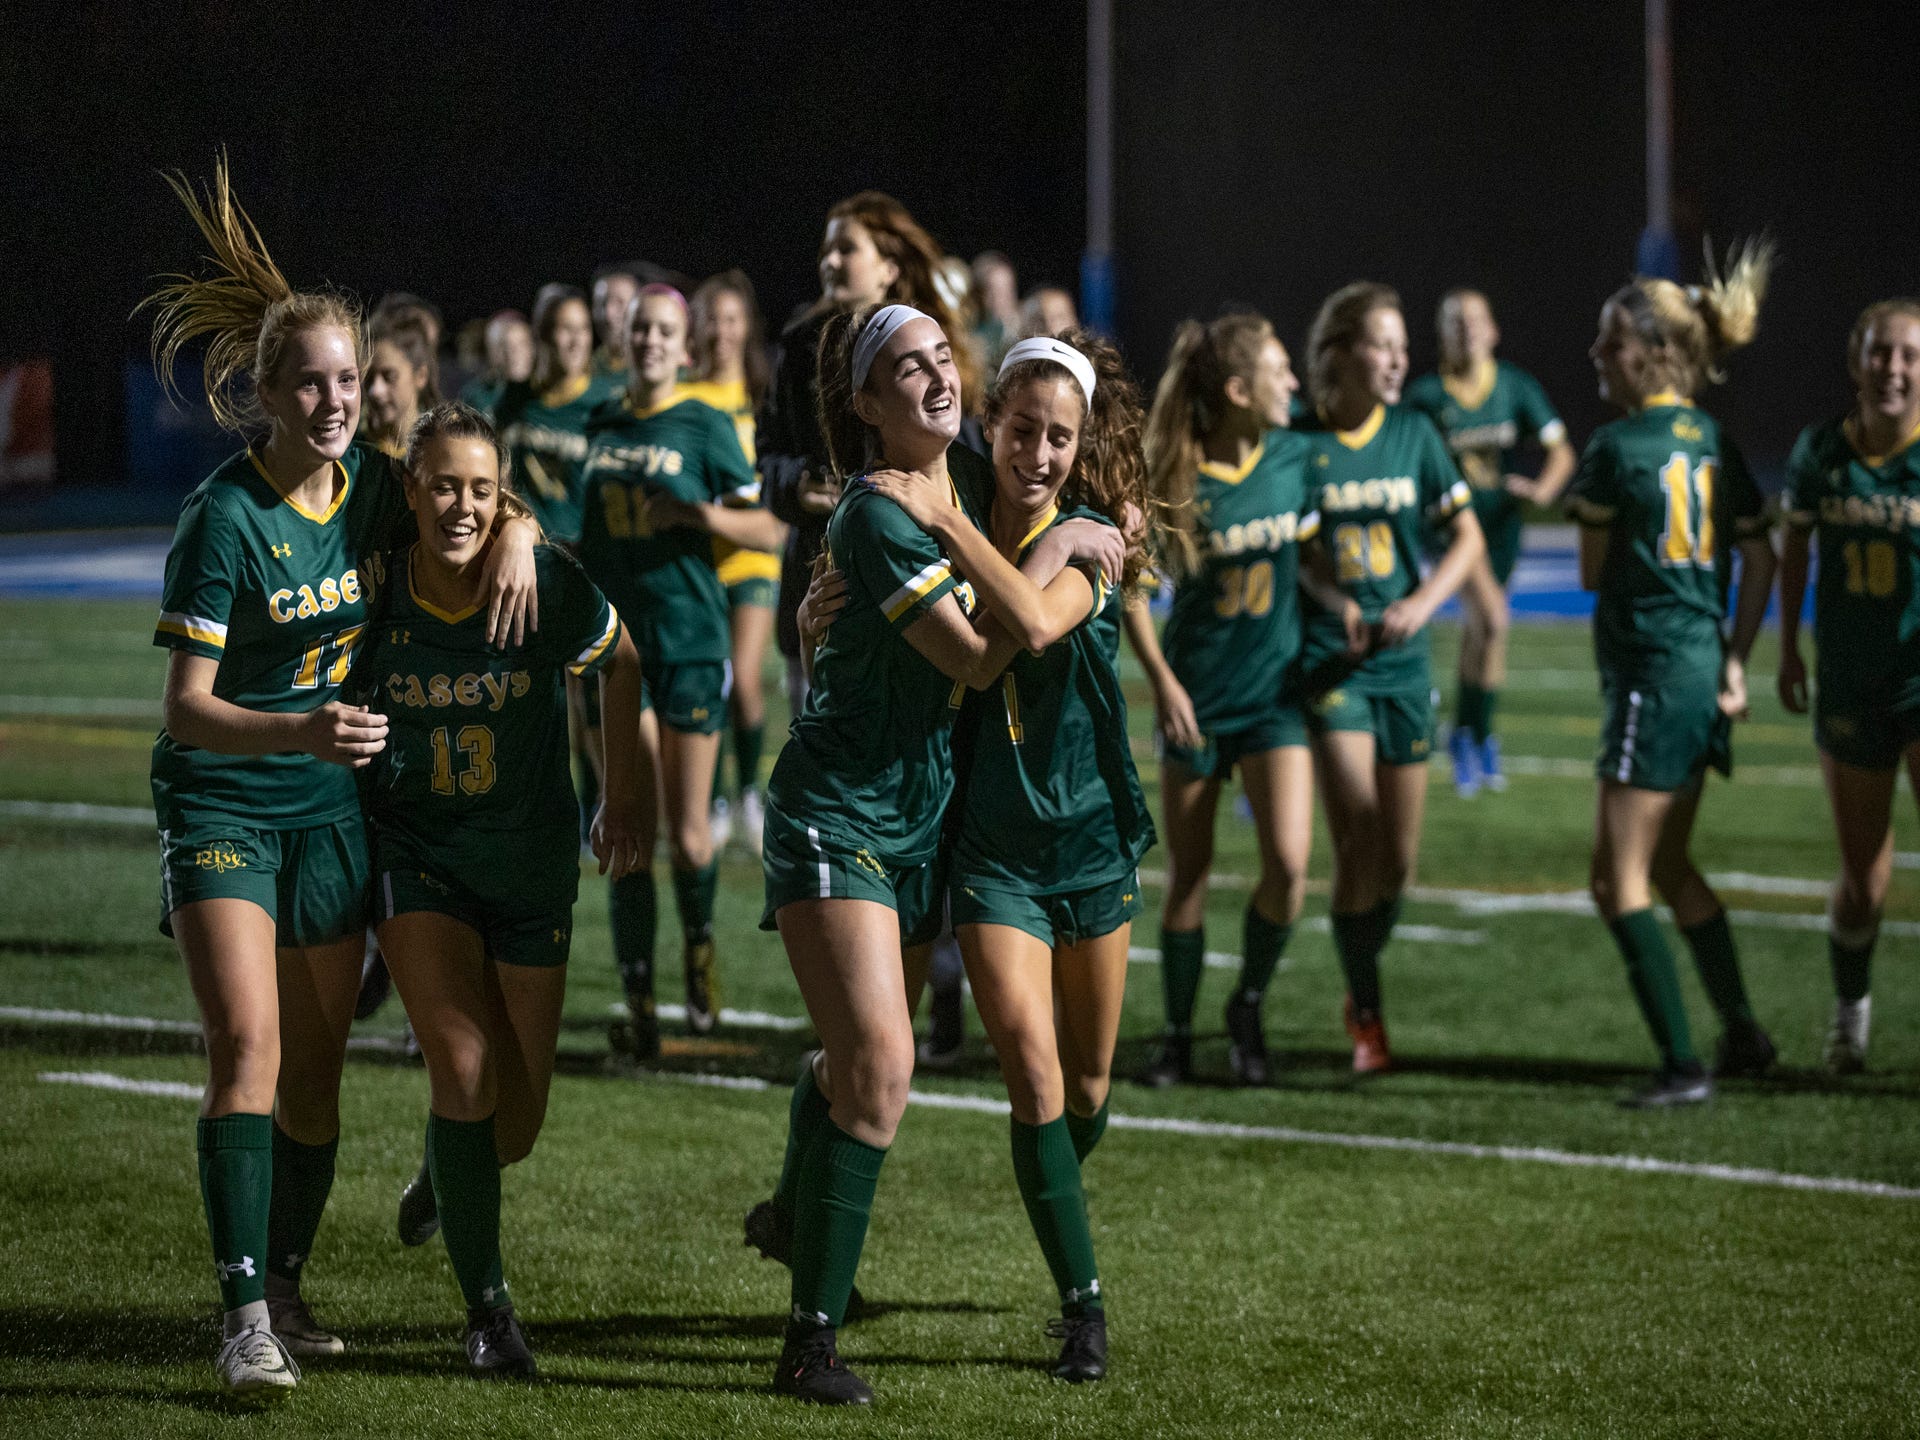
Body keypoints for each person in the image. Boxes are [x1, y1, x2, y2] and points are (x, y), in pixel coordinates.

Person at [139, 159, 536, 1400]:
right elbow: (188, 712)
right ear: (261, 394)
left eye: (348, 381)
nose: (332, 400)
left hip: (329, 811)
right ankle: (244, 1316)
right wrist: (301, 730)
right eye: (307, 381)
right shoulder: (224, 520)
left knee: (315, 1087)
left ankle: (290, 1285)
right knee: (247, 1050)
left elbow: (478, 497)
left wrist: (517, 526)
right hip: (225, 798)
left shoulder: (376, 485)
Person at [746, 304, 1121, 1403]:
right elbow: (971, 659)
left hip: (927, 824)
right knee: (885, 1072)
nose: (934, 378)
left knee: (863, 1066)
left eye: (941, 359)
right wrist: (1052, 550)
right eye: (903, 370)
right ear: (865, 407)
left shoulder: (965, 477)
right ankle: (807, 1344)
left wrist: (1099, 514)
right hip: (840, 813)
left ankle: (789, 1212)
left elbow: (1047, 441)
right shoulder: (877, 513)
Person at [864, 331, 1154, 1381]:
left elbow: (1030, 624)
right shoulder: (959, 506)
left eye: (1060, 438)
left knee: (1086, 1091)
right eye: (1022, 429)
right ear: (992, 426)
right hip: (990, 857)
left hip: (1088, 841)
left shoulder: (1093, 544)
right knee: (1032, 1079)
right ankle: (1084, 1309)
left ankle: (1049, 1191)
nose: (1038, 451)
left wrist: (961, 523)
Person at [349, 402, 644, 1379]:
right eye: (443, 486)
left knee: (511, 1128)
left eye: (482, 490)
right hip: (420, 858)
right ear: (412, 489)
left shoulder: (541, 582)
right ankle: (490, 1314)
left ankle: (446, 1170)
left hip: (529, 867)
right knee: (466, 1071)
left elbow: (624, 661)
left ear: (502, 492)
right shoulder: (378, 581)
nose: (461, 506)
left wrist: (625, 795)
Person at [1565, 242, 1779, 1107]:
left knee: (1616, 881)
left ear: (1652, 353)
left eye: (1609, 342)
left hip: (1653, 672)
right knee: (1674, 866)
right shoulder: (1718, 440)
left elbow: (1588, 570)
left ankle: (1684, 1064)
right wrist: (1736, 657)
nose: (1596, 357)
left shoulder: (1616, 447)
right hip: (1700, 667)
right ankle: (1745, 1033)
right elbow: (1760, 561)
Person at [1124, 313, 1326, 1087]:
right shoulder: (1178, 473)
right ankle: (1175, 1034)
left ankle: (1246, 1003)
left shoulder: (1294, 457)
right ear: (1239, 390)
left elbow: (1307, 563)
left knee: (1289, 865)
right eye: (1281, 368)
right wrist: (1163, 684)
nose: (1294, 382)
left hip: (1274, 699)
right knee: (1191, 873)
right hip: (1199, 699)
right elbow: (1133, 592)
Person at [579, 285, 783, 1044]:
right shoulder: (597, 417)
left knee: (692, 836)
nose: (652, 341)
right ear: (623, 340)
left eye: (666, 330)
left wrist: (699, 515)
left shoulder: (703, 421)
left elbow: (767, 526)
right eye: (641, 330)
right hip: (614, 651)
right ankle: (637, 1001)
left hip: (692, 642)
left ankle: (699, 956)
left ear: (685, 345)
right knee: (625, 826)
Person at [1295, 283, 1484, 1073]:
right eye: (1383, 343)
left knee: (1398, 864)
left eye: (1404, 344)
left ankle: (1358, 980)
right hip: (1334, 666)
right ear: (1340, 353)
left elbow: (1467, 539)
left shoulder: (1416, 433)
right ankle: (1367, 1015)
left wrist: (1421, 603)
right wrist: (1334, 598)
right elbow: (1291, 550)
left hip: (1405, 665)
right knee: (1360, 836)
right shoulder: (1298, 442)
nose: (1401, 358)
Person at [761, 192, 984, 721]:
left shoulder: (930, 345)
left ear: (888, 268)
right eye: (825, 251)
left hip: (920, 564)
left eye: (846, 249)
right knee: (825, 724)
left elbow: (972, 455)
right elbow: (769, 458)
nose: (829, 262)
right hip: (826, 576)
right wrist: (796, 484)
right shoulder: (799, 349)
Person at [1777, 297, 1920, 1073]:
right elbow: (1794, 549)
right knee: (1863, 882)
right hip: (1851, 684)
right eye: (1880, 353)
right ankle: (1849, 1017)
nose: (1893, 369)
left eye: (1908, 355)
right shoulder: (1820, 452)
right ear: (1855, 361)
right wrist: (1789, 647)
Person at [1404, 290, 1576, 794]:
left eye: (1476, 320)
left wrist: (1541, 491)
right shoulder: (1428, 396)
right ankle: (1472, 734)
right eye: (1456, 322)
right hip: (1454, 530)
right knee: (1495, 618)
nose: (1467, 329)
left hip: (1502, 527)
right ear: (1442, 335)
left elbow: (1561, 452)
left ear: (1494, 329)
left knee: (1484, 629)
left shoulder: (1514, 387)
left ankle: (1471, 734)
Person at [679, 270, 778, 855]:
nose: (721, 330)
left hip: (752, 559)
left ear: (747, 327)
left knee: (743, 680)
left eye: (732, 318)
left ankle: (749, 795)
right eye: (712, 318)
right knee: (707, 683)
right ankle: (709, 800)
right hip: (700, 565)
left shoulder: (761, 403)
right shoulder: (686, 398)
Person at [490, 284, 621, 545]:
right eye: (566, 329)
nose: (577, 341)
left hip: (582, 556)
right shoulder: (514, 397)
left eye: (583, 329)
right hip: (523, 548)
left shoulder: (606, 401)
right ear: (543, 333)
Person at [358, 310, 440, 459]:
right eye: (368, 378)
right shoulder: (352, 451)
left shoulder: (441, 449)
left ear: (420, 375)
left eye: (389, 377)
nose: (375, 391)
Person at [458, 310, 534, 414]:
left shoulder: (548, 391)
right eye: (504, 346)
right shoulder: (476, 397)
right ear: (492, 351)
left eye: (522, 344)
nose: (514, 353)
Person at [972, 250, 1021, 367]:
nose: (1001, 298)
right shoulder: (974, 339)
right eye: (991, 291)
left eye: (1006, 289)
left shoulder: (1030, 327)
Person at [591, 266, 639, 380]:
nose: (608, 314)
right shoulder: (585, 370)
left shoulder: (662, 370)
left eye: (620, 302)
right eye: (601, 303)